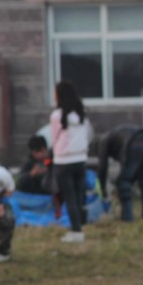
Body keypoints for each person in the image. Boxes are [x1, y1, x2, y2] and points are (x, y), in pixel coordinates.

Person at [50, 80, 94, 243]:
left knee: (70, 197)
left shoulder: (57, 116)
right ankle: (81, 224)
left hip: (64, 161)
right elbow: (88, 134)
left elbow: (54, 137)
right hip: (81, 159)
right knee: (79, 195)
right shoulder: (81, 114)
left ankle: (76, 231)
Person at [97, 125, 143, 221]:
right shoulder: (115, 138)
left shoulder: (103, 141)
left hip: (135, 143)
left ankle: (127, 217)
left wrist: (103, 192)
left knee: (123, 182)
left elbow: (102, 168)